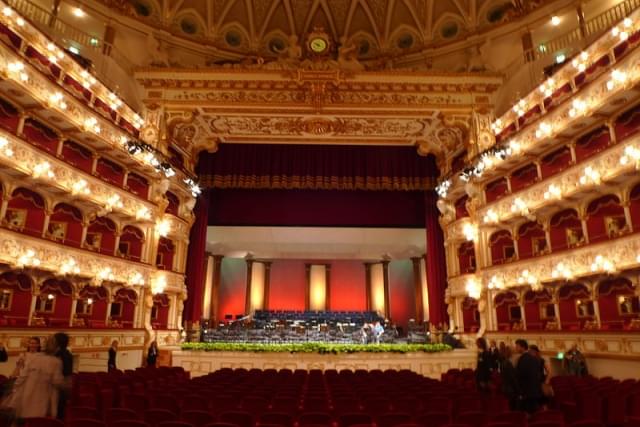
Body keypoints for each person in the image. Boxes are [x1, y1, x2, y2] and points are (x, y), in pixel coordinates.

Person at [2, 335, 64, 419]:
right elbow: (20, 369)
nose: (32, 345)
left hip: (32, 386)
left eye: (35, 343)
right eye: (31, 343)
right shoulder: (55, 361)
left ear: (39, 345)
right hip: (28, 385)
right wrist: (13, 378)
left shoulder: (38, 357)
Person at [515, 339, 543, 414]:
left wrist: (520, 392)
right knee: (534, 413)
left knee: (526, 413)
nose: (516, 348)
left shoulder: (523, 359)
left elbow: (520, 375)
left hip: (526, 392)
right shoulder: (534, 358)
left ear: (523, 347)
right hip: (535, 390)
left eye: (517, 346)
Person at [54, 332, 72, 420]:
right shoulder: (68, 354)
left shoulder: (58, 355)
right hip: (62, 384)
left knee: (58, 410)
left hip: (58, 385)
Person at [498, 345, 519, 410]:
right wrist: (519, 390)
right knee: (513, 407)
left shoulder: (505, 362)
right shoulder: (508, 363)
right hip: (511, 389)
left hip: (507, 387)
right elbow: (513, 378)